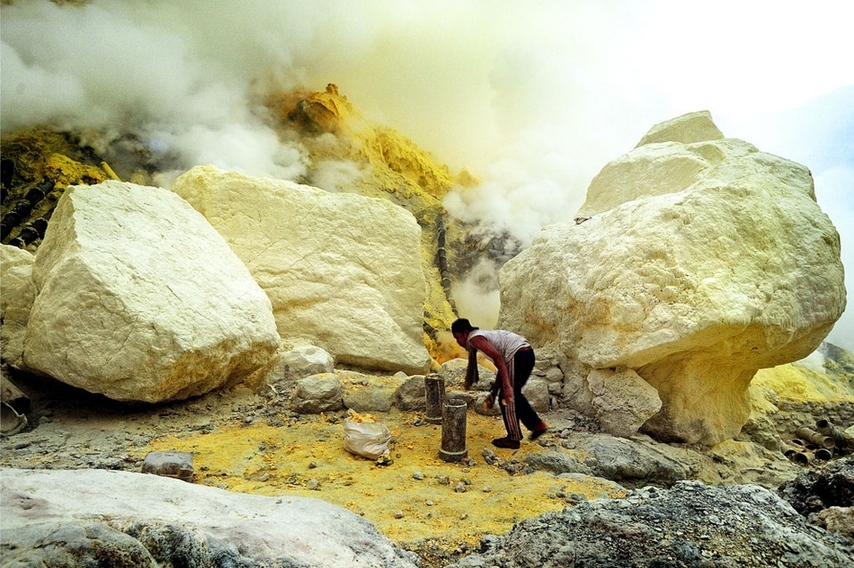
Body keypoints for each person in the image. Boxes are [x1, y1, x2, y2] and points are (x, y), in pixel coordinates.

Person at [451, 318, 548, 449]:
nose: (458, 342)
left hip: (518, 354)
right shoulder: (481, 335)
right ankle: (537, 425)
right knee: (514, 395)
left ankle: (513, 439)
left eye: (457, 337)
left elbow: (498, 358)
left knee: (507, 397)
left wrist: (507, 387)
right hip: (526, 353)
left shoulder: (474, 339)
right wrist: (494, 392)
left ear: (465, 332)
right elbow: (502, 367)